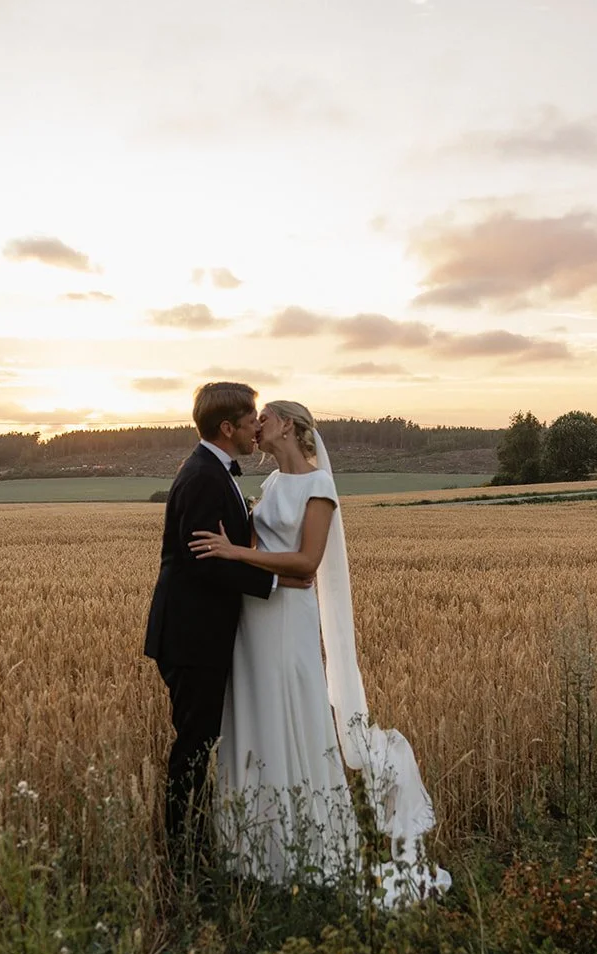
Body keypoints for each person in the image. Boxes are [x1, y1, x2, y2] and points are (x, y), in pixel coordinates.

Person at [189, 400, 449, 902]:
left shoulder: (319, 486)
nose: (255, 424)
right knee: (257, 718)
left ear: (287, 424)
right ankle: (256, 851)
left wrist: (236, 552)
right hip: (255, 620)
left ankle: (306, 853)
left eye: (264, 417)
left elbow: (308, 562)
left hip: (287, 623)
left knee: (291, 715)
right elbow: (283, 566)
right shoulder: (269, 486)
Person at [143, 382, 312, 868]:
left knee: (199, 741)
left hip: (201, 633)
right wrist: (279, 585)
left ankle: (193, 842)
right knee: (193, 745)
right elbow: (203, 562)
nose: (255, 428)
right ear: (227, 427)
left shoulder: (212, 472)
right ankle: (182, 853)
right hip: (192, 636)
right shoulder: (201, 477)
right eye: (249, 420)